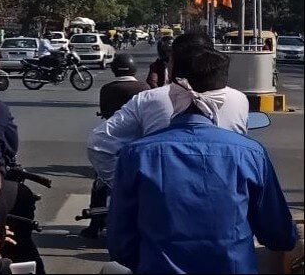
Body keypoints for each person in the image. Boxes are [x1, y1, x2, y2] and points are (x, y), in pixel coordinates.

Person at [107, 48, 298, 273]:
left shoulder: (136, 154)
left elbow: (120, 245)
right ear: (223, 95)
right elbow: (280, 236)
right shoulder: (250, 154)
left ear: (172, 89)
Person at [88, 31, 250, 190]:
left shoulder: (149, 101)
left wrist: (128, 188)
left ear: (172, 67)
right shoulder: (240, 102)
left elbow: (99, 145)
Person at [81, 53, 149, 239]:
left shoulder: (108, 88)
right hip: (138, 142)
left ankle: (95, 224)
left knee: (100, 183)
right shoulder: (145, 88)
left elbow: (104, 112)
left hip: (112, 143)